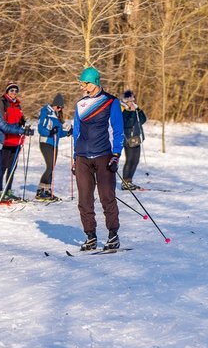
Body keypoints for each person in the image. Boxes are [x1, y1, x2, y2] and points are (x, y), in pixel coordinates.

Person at [72, 67, 124, 251]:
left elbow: (118, 131)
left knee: (107, 196)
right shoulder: (80, 104)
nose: (81, 86)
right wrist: (74, 157)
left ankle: (113, 235)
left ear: (93, 83)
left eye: (84, 83)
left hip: (104, 155)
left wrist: (116, 155)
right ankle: (90, 236)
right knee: (84, 199)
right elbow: (76, 132)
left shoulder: (111, 102)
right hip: (83, 157)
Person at [36, 93, 70, 201]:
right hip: (46, 142)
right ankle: (41, 190)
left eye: (61, 108)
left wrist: (68, 132)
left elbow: (58, 133)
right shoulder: (46, 111)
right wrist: (50, 132)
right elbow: (41, 129)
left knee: (52, 168)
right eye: (59, 107)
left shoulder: (56, 115)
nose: (59, 109)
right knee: (50, 166)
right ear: (55, 104)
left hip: (54, 144)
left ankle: (47, 190)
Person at [0, 83, 26, 200]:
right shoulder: (2, 102)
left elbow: (19, 119)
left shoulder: (18, 105)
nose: (14, 93)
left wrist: (22, 122)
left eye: (16, 91)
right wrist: (15, 125)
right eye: (12, 90)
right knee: (3, 166)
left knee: (12, 167)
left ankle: (8, 190)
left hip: (16, 141)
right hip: (6, 140)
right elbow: (1, 121)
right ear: (7, 91)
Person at [120, 90, 147, 191]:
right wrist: (130, 111)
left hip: (136, 138)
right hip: (128, 139)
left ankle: (129, 181)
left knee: (135, 160)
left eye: (133, 98)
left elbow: (143, 119)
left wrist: (138, 110)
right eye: (129, 99)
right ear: (125, 100)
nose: (132, 101)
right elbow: (127, 123)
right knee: (130, 160)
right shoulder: (123, 110)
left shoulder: (135, 109)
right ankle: (125, 182)